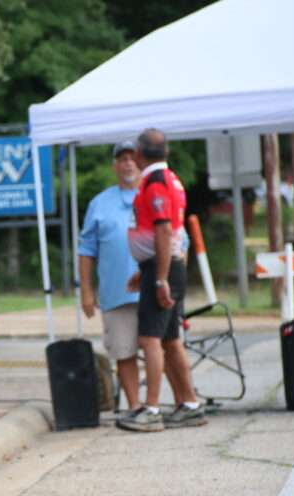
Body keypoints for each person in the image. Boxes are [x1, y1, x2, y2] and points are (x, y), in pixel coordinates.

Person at [116, 128, 205, 432]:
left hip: (163, 267)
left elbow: (164, 230)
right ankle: (190, 403)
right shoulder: (172, 179)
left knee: (150, 339)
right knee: (170, 339)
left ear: (140, 154)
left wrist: (159, 278)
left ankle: (151, 409)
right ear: (165, 152)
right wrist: (149, 269)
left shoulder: (155, 183)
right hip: (161, 264)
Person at [79, 141, 142, 410]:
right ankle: (135, 406)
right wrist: (86, 291)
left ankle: (165, 404)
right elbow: (86, 249)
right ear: (115, 166)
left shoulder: (154, 194)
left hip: (154, 291)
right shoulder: (100, 203)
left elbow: (179, 242)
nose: (128, 163)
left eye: (133, 158)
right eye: (122, 159)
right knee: (123, 351)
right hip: (116, 294)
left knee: (162, 348)